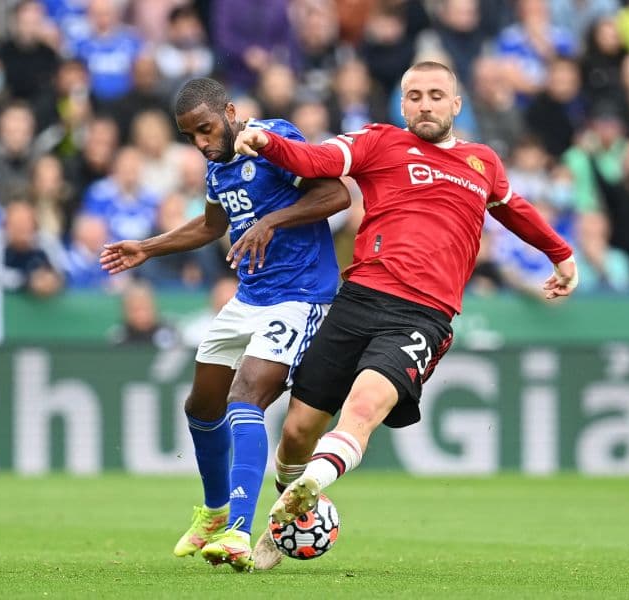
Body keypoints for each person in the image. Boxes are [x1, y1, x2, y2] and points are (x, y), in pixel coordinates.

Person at [232, 61, 578, 569]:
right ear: (402, 104)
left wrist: (562, 255)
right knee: (298, 430)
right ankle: (291, 510)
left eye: (436, 95)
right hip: (359, 299)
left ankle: (309, 487)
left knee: (365, 406)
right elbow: (315, 160)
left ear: (456, 105)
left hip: (424, 316)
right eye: (414, 95)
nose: (425, 104)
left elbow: (516, 209)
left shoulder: (483, 163)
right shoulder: (380, 143)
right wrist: (267, 144)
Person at [99, 77, 350, 571]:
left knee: (245, 395)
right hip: (249, 297)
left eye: (206, 129)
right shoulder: (216, 170)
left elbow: (336, 196)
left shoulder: (275, 139)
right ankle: (214, 514)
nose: (201, 143)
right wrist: (146, 247)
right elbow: (213, 226)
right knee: (201, 403)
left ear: (231, 112)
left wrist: (271, 222)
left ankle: (239, 528)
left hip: (300, 298)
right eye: (190, 136)